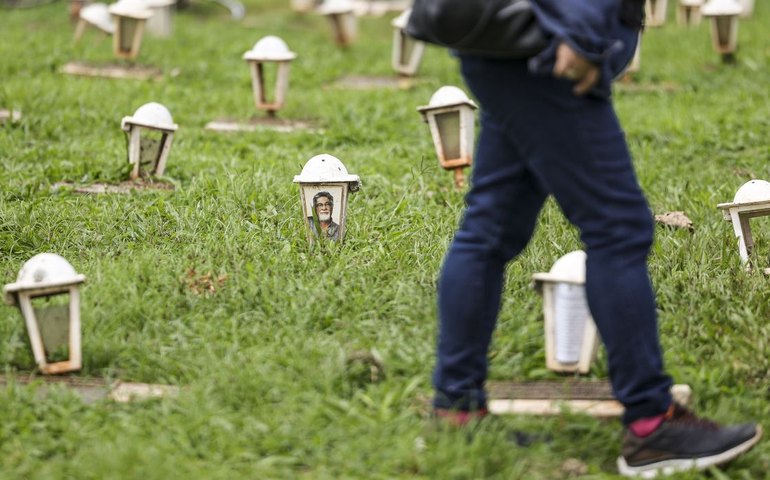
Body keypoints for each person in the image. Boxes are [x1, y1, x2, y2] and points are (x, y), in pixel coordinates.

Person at [430, 0, 762, 477]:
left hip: (512, 42)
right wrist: (582, 33)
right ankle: (652, 426)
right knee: (619, 229)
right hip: (552, 47)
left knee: (490, 230)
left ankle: (457, 408)